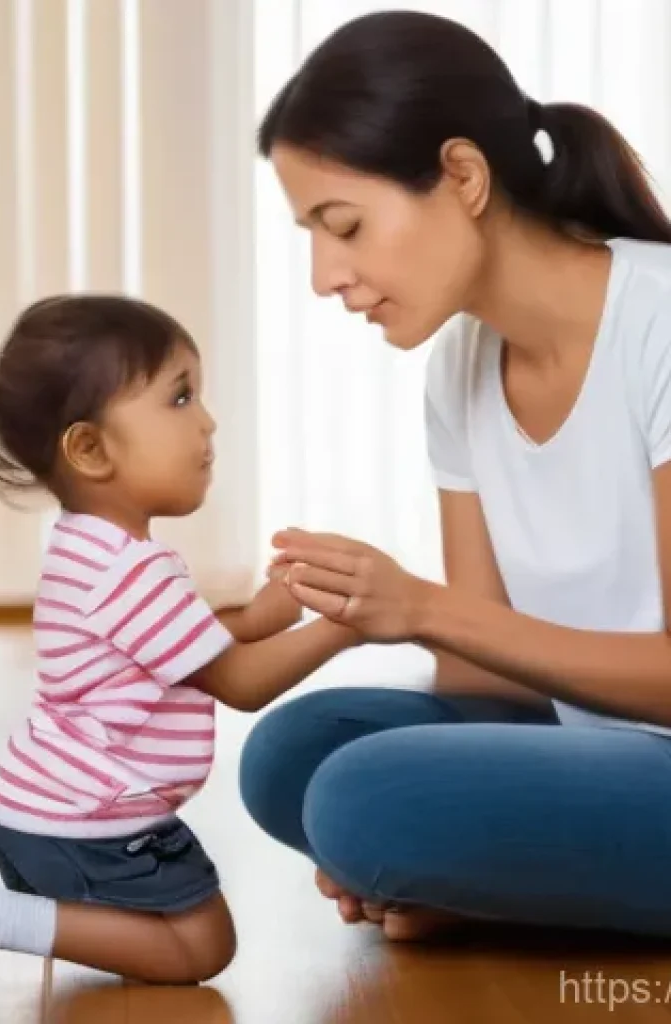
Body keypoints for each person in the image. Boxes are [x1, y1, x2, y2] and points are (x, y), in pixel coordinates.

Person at [240, 9, 671, 942]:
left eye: (343, 224)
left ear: (464, 177)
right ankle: (481, 878)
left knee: (362, 799)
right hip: (593, 747)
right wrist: (356, 616)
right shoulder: (462, 366)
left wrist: (423, 605)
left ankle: (471, 880)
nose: (324, 274)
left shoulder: (660, 321)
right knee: (291, 757)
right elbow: (489, 678)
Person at [0, 295, 357, 986]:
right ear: (90, 449)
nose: (208, 421)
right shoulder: (130, 569)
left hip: (49, 808)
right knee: (204, 947)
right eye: (180, 399)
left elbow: (189, 649)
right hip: (84, 818)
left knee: (192, 934)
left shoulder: (91, 550)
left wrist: (273, 611)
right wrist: (350, 626)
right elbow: (238, 681)